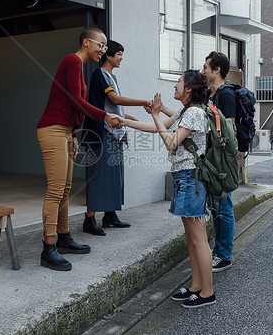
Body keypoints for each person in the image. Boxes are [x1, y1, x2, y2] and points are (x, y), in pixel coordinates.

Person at [117, 70, 216, 308]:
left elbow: (170, 141)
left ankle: (208, 292)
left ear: (189, 89)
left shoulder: (193, 112)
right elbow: (156, 127)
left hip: (192, 180)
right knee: (191, 238)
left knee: (199, 239)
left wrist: (155, 114)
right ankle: (195, 285)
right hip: (185, 178)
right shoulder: (186, 111)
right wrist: (124, 121)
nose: (175, 85)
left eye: (179, 82)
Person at [36, 27, 122, 271]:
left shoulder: (79, 68)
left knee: (65, 189)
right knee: (55, 190)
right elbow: (76, 101)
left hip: (64, 131)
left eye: (106, 47)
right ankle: (48, 247)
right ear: (86, 42)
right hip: (52, 129)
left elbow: (71, 106)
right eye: (101, 45)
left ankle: (63, 239)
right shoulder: (72, 61)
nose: (104, 50)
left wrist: (74, 134)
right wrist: (105, 115)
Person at [81, 40, 151, 236]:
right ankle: (89, 220)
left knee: (114, 175)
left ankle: (110, 216)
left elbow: (111, 106)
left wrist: (125, 117)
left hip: (114, 131)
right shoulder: (100, 75)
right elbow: (114, 100)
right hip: (101, 132)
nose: (121, 58)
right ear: (108, 56)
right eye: (119, 54)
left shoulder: (112, 77)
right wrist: (144, 102)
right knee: (98, 176)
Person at [201, 51, 235, 273]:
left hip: (221, 160)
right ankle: (218, 251)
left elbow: (228, 129)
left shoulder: (225, 95)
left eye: (206, 66)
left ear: (217, 70)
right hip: (210, 159)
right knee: (216, 206)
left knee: (223, 205)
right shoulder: (209, 95)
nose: (203, 70)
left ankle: (224, 255)